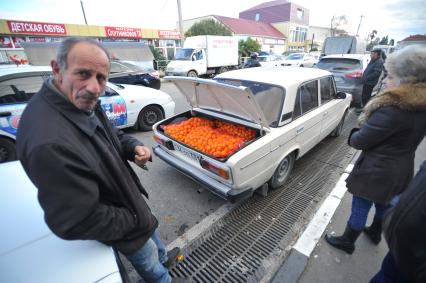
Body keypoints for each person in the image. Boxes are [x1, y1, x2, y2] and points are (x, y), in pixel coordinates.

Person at [16, 37, 181, 283]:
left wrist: (133, 147)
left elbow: (109, 133)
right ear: (57, 69)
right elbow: (74, 220)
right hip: (128, 226)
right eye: (83, 73)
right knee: (152, 267)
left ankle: (163, 258)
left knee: (155, 245)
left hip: (132, 207)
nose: (94, 87)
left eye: (101, 78)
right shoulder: (48, 141)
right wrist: (134, 219)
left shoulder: (79, 99)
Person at [324, 45, 426, 254]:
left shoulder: (393, 109)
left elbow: (360, 141)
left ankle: (347, 241)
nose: (385, 80)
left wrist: (354, 133)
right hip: (402, 168)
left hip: (376, 170)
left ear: (404, 81)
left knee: (360, 206)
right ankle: (376, 231)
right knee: (384, 203)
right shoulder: (421, 106)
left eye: (390, 76)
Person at [370, 160, 426, 283]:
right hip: (403, 243)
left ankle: (350, 239)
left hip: (416, 259)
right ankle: (374, 231)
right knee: (385, 275)